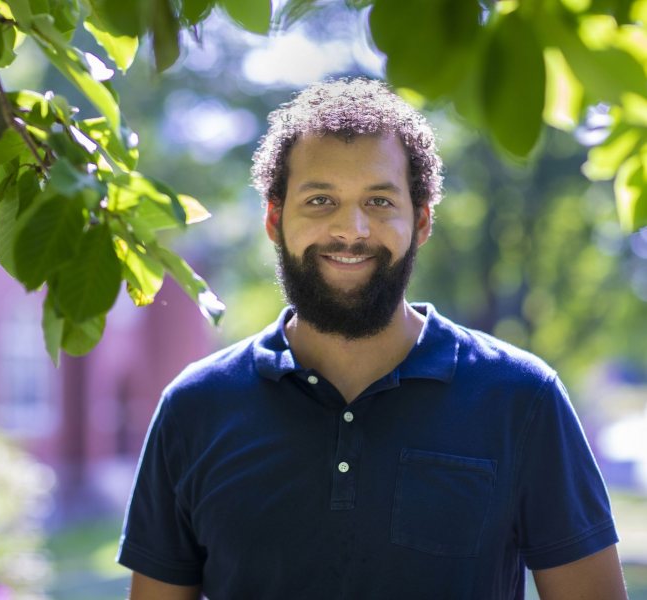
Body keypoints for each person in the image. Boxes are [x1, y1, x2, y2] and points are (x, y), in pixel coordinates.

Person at [116, 78, 628, 599]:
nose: (351, 230)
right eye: (320, 200)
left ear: (421, 220)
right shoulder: (195, 407)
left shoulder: (522, 398)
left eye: (379, 201)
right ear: (275, 219)